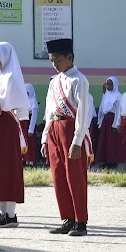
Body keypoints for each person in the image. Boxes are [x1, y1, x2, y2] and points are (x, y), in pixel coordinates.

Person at [41, 38, 92, 237]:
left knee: (75, 177)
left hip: (70, 129)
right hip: (54, 128)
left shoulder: (79, 80)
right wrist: (45, 137)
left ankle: (81, 221)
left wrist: (78, 140)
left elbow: (83, 112)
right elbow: (48, 111)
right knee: (58, 176)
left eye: (57, 60)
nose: (54, 64)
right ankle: (67, 218)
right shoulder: (54, 81)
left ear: (69, 57)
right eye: (51, 61)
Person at [0, 42, 30, 228]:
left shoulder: (11, 78)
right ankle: (2, 212)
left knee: (7, 167)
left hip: (7, 126)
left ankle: (11, 215)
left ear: (5, 57)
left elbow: (5, 105)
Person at [95, 77, 121, 167]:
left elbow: (118, 111)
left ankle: (112, 161)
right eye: (108, 84)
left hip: (112, 120)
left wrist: (115, 124)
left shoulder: (118, 95)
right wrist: (100, 121)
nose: (109, 86)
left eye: (111, 84)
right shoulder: (105, 95)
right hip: (105, 120)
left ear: (115, 85)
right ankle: (104, 160)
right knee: (104, 141)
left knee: (112, 141)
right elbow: (102, 109)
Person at [21, 83, 39, 166]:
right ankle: (24, 159)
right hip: (22, 125)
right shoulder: (22, 102)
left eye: (27, 92)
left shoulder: (33, 102)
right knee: (23, 142)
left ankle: (31, 160)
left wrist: (31, 129)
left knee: (30, 143)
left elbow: (34, 117)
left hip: (28, 125)